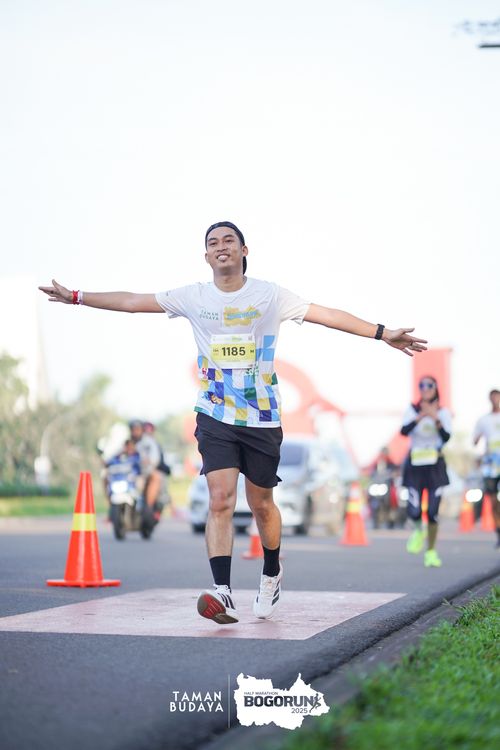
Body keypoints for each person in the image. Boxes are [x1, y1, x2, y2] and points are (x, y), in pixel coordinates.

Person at [39, 220, 427, 625]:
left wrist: (382, 333)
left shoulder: (270, 296)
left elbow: (326, 315)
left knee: (262, 504)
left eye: (229, 240)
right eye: (213, 243)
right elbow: (134, 301)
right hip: (215, 412)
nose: (221, 246)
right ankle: (222, 591)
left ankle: (272, 571)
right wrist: (77, 297)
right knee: (221, 499)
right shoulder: (194, 297)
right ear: (206, 256)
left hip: (262, 416)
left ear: (244, 251)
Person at [400, 376, 452, 567]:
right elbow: (404, 431)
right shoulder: (411, 410)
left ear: (436, 388)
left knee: (432, 512)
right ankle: (417, 530)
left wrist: (434, 417)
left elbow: (446, 437)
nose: (425, 388)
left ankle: (431, 551)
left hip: (434, 467)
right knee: (414, 510)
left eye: (429, 385)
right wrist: (421, 416)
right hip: (415, 466)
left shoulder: (443, 412)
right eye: (422, 385)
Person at [472, 389, 500, 548]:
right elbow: (475, 441)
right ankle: (498, 530)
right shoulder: (484, 420)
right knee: (494, 501)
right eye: (493, 398)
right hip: (491, 464)